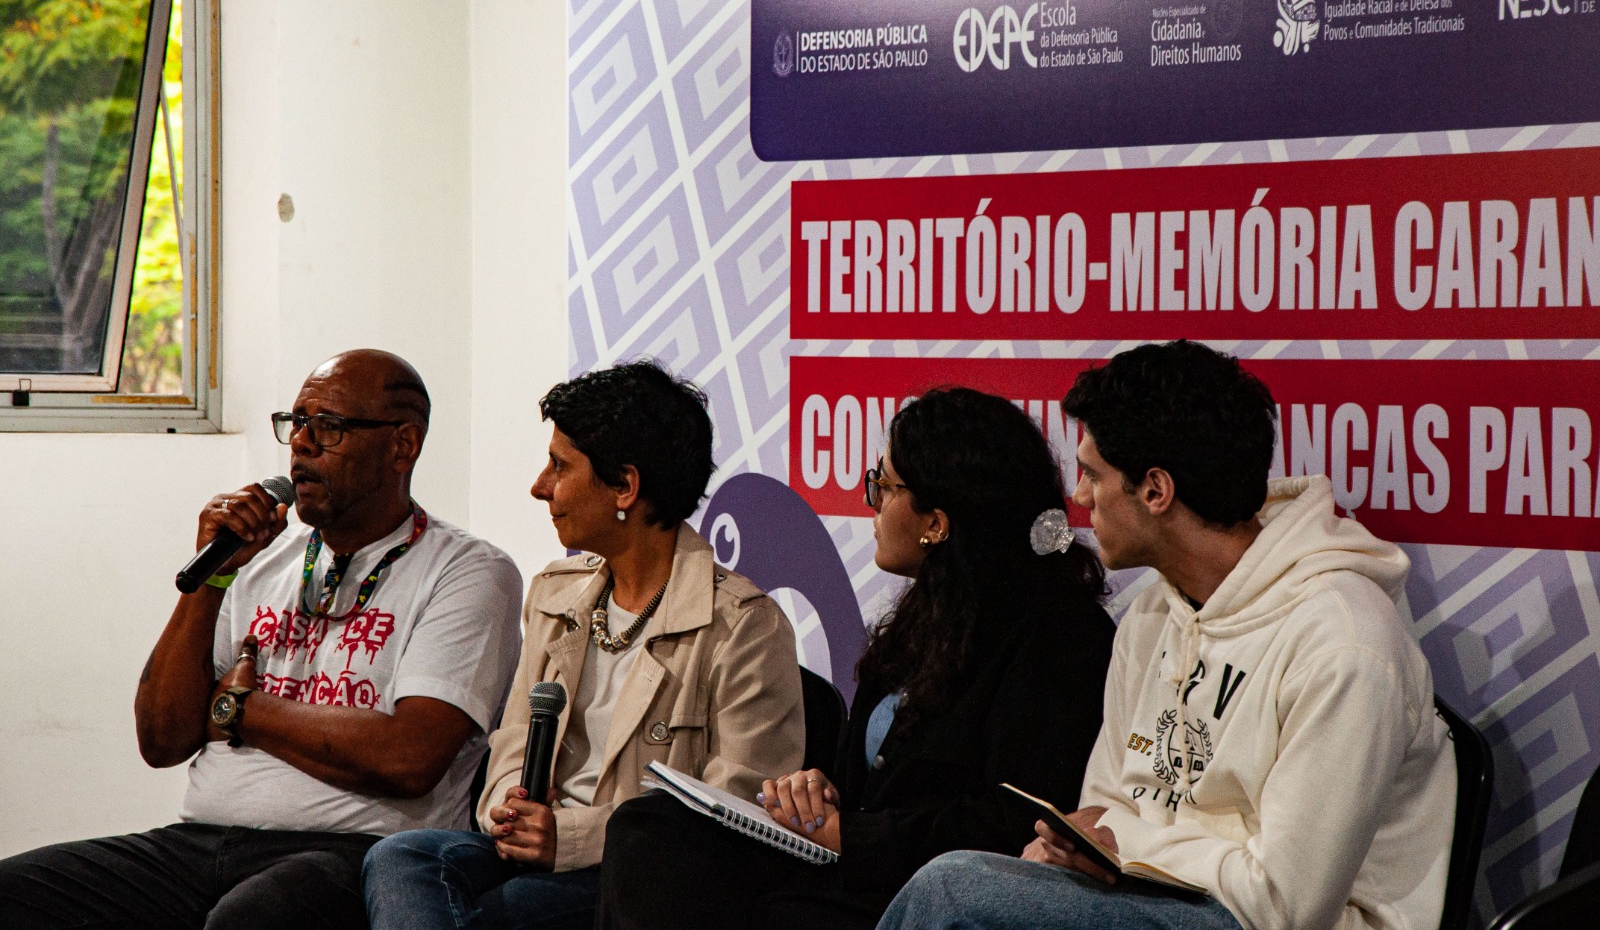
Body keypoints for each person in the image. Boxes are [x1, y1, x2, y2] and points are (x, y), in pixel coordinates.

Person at [879, 340, 1458, 930]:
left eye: (1091, 474)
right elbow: (1100, 809)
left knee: (954, 893)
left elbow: (1282, 906)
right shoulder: (1152, 616)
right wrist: (1079, 850)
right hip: (1154, 898)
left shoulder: (1345, 641)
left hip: (1266, 922)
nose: (1078, 498)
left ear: (1156, 490)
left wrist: (1121, 843)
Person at [0, 349, 524, 930]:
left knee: (250, 919)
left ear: (402, 446)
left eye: (328, 427)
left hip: (353, 853)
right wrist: (213, 578)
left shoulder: (468, 571)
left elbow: (408, 757)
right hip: (199, 841)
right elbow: (162, 737)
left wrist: (234, 707)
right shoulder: (259, 560)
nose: (301, 444)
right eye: (296, 423)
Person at [594, 386, 1115, 930]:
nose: (869, 501)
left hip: (921, 890)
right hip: (844, 866)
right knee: (649, 828)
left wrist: (851, 834)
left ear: (936, 522)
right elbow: (867, 784)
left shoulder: (1059, 632)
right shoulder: (923, 617)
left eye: (882, 486)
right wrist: (816, 788)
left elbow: (1016, 821)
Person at [362, 359, 805, 930]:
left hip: (636, 879)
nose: (539, 486)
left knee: (503, 913)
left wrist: (568, 839)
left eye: (559, 465)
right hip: (531, 850)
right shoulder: (555, 593)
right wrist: (509, 810)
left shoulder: (744, 626)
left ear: (625, 485)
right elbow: (514, 739)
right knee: (401, 857)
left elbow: (732, 812)